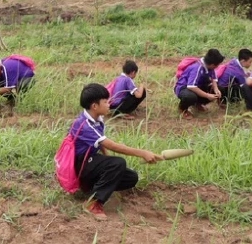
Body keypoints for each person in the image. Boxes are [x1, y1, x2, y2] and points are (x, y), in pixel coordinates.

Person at [68, 83, 162, 218]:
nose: (109, 104)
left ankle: (94, 187)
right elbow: (112, 145)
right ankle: (93, 202)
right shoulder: (84, 125)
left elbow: (101, 144)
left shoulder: (97, 119)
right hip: (80, 165)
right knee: (118, 163)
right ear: (95, 106)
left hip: (90, 162)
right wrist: (142, 153)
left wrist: (107, 159)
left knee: (131, 178)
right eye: (105, 101)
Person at [175, 49, 224, 117]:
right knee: (190, 97)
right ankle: (183, 109)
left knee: (217, 89)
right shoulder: (197, 68)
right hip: (184, 88)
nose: (218, 66)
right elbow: (191, 86)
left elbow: (214, 78)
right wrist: (207, 95)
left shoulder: (209, 67)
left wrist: (216, 89)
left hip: (197, 87)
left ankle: (197, 104)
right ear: (213, 64)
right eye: (217, 65)